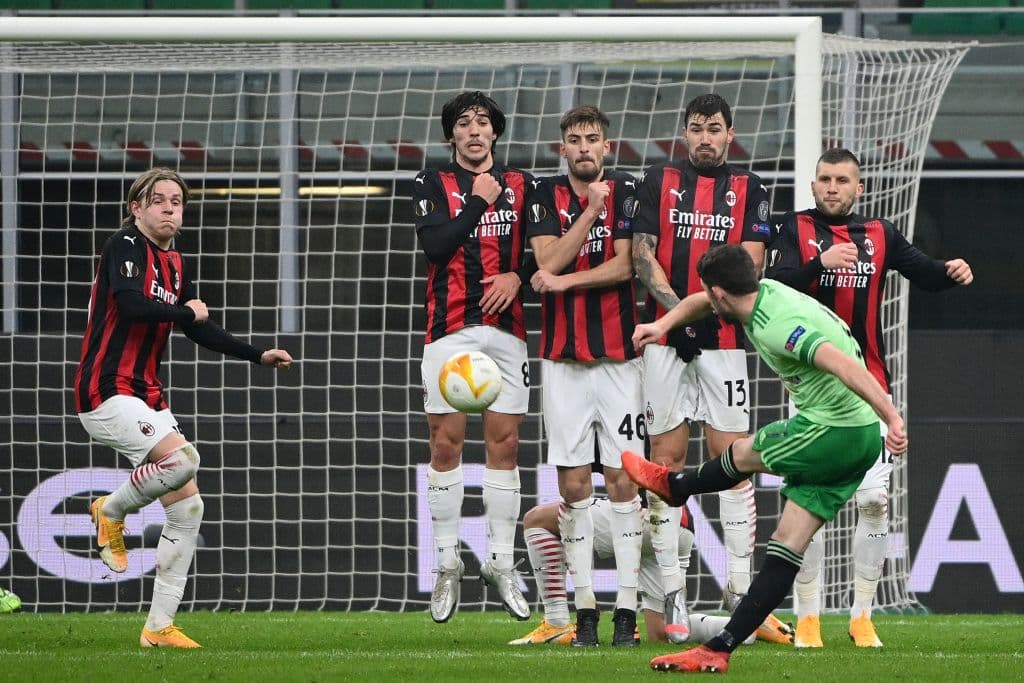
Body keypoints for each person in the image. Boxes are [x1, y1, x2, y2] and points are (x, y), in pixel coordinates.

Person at [621, 244, 908, 673]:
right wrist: (661, 323)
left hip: (836, 430)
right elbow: (702, 300)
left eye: (709, 292)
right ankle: (719, 648)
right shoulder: (763, 290)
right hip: (858, 434)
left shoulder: (777, 326)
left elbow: (841, 364)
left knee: (744, 450)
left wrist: (893, 415)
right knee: (785, 548)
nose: (707, 298)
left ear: (722, 293)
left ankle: (676, 486)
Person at [74, 167, 293, 648]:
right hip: (106, 388)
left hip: (146, 392)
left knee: (188, 505)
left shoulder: (174, 261)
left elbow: (198, 327)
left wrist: (258, 354)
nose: (170, 208)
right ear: (137, 208)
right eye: (159, 200)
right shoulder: (125, 247)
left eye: (177, 201)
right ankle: (109, 509)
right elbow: (132, 307)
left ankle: (158, 627)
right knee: (184, 459)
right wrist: (186, 312)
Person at [765, 148, 973, 648]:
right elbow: (769, 287)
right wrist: (820, 263)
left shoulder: (881, 235)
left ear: (858, 188)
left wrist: (951, 271)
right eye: (824, 179)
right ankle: (809, 618)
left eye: (841, 180)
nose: (831, 187)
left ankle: (862, 614)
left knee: (876, 501)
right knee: (805, 505)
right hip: (813, 392)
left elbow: (924, 272)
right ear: (813, 185)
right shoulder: (792, 230)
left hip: (869, 386)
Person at [631, 93, 786, 643]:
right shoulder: (657, 179)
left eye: (714, 128)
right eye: (695, 127)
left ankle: (740, 588)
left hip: (724, 342)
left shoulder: (751, 188)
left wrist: (695, 315)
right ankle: (671, 589)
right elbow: (641, 255)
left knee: (733, 458)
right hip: (664, 344)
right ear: (685, 131)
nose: (704, 137)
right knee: (665, 462)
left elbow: (750, 266)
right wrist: (677, 318)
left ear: (729, 133)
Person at [412, 91, 536, 624]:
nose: (475, 130)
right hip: (450, 331)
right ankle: (446, 565)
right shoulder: (429, 183)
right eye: (464, 123)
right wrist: (482, 201)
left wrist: (519, 276)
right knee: (446, 444)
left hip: (508, 332)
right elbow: (437, 248)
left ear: (495, 133)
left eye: (483, 122)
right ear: (451, 137)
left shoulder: (525, 184)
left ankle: (502, 563)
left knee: (504, 445)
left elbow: (550, 253)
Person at [525, 105, 644, 647]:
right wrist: (590, 216)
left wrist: (566, 283)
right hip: (563, 361)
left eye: (592, 139)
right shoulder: (541, 195)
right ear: (562, 148)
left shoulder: (629, 191)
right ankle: (585, 607)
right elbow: (547, 258)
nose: (584, 148)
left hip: (620, 359)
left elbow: (627, 266)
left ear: (607, 144)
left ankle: (626, 606)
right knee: (572, 482)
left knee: (623, 478)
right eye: (574, 140)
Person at [511, 496, 757, 648]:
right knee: (662, 632)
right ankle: (749, 623)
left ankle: (556, 621)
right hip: (680, 526)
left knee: (536, 520)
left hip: (640, 513)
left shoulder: (616, 415)